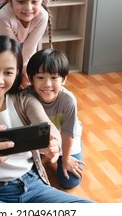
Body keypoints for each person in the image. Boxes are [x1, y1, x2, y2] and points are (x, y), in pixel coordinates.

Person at [0, 35, 93, 203]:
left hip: (33, 185)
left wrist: (52, 141)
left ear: (17, 73)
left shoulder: (25, 100)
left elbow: (44, 122)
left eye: (8, 72)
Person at [26, 48, 85, 189]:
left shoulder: (68, 100)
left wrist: (65, 159)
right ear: (30, 79)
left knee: (70, 181)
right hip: (38, 142)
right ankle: (46, 157)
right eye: (40, 77)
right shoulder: (26, 97)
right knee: (27, 175)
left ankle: (76, 146)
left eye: (54, 78)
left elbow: (67, 133)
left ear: (64, 79)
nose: (47, 84)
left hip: (66, 137)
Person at [0, 0, 52, 89]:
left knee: (27, 80)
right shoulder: (4, 15)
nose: (28, 8)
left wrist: (26, 70)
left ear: (42, 0)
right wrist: (18, 71)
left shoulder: (42, 16)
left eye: (34, 2)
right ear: (11, 0)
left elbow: (30, 48)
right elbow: (12, 47)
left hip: (26, 51)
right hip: (7, 47)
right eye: (21, 2)